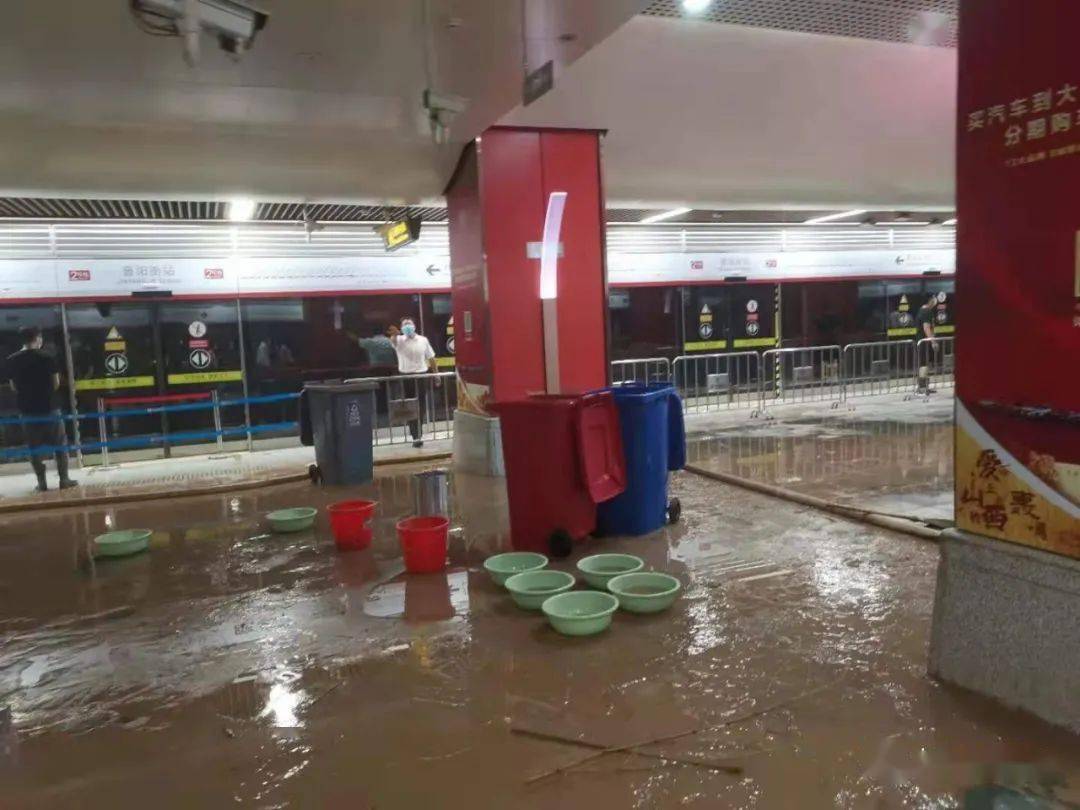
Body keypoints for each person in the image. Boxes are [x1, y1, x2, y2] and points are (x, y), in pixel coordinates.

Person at [5, 327, 77, 492]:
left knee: (33, 447)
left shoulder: (12, 360)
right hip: (50, 407)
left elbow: (13, 386)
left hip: (28, 410)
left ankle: (42, 483)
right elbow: (56, 383)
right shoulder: (48, 357)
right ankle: (64, 480)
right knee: (60, 444)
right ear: (38, 339)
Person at [387, 317, 436, 447]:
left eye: (409, 324)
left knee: (421, 406)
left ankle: (418, 433)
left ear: (414, 325)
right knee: (410, 406)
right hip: (406, 377)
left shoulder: (423, 340)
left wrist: (436, 375)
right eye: (405, 324)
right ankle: (415, 435)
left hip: (421, 376)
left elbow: (431, 358)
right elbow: (393, 341)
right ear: (402, 328)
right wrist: (394, 334)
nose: (407, 326)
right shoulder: (399, 340)